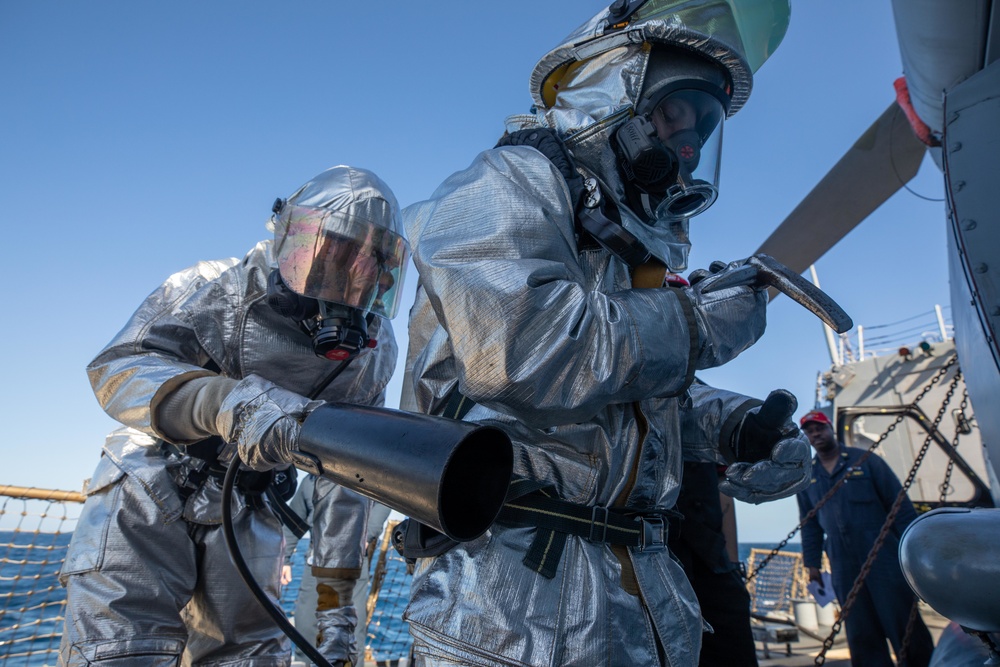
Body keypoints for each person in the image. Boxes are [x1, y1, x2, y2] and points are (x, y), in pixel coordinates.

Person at [399, 1, 810, 665]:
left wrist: (737, 428)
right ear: (618, 90)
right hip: (507, 611)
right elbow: (523, 352)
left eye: (702, 129)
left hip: (637, 603)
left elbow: (633, 399)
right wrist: (698, 322)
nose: (687, 143)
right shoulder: (506, 185)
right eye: (675, 112)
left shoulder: (631, 248)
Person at [58, 166, 407, 667]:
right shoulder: (212, 286)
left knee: (250, 659)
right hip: (148, 491)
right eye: (331, 253)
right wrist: (224, 404)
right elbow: (118, 368)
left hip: (250, 507)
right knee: (116, 653)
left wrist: (336, 617)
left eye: (365, 262)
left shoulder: (371, 353)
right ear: (293, 240)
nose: (346, 274)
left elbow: (346, 485)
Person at [796, 409, 935, 667]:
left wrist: (915, 552)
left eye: (820, 428)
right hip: (841, 562)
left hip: (883, 555)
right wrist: (812, 564)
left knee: (902, 619)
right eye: (810, 431)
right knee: (859, 628)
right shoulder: (807, 477)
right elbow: (809, 524)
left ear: (830, 429)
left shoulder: (866, 461)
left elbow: (900, 508)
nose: (816, 434)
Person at [669, 460, 758, 667]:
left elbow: (724, 489)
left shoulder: (700, 429)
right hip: (655, 559)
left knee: (734, 647)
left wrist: (733, 565)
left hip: (711, 559)